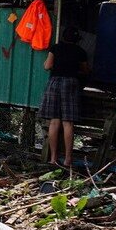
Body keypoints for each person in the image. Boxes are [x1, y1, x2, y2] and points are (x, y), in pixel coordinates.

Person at [40, 27, 89, 169]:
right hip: (71, 83)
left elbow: (47, 66)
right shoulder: (80, 52)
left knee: (54, 122)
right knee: (68, 123)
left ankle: (53, 158)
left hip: (55, 82)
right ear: (76, 40)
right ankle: (68, 160)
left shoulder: (55, 48)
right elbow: (86, 70)